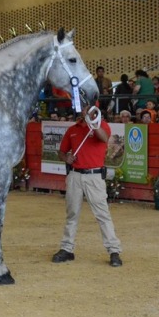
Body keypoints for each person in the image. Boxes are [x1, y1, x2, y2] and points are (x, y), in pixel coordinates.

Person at [51, 106, 123, 267]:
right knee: (72, 213)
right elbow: (62, 151)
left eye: (89, 110)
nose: (86, 112)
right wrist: (66, 157)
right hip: (75, 175)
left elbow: (104, 138)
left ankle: (114, 250)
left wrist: (93, 123)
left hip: (94, 176)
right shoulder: (73, 130)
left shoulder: (102, 125)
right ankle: (67, 249)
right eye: (84, 110)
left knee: (102, 214)